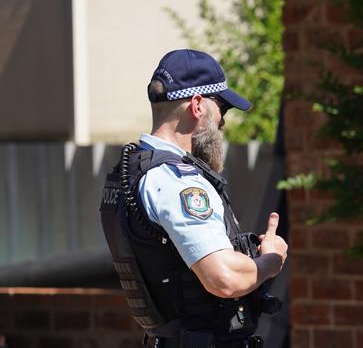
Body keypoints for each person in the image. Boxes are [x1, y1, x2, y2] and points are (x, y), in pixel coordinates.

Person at [99, 49, 287, 348]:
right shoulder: (178, 184)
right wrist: (269, 262)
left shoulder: (134, 171)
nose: (223, 122)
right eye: (221, 107)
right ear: (197, 105)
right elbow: (223, 278)